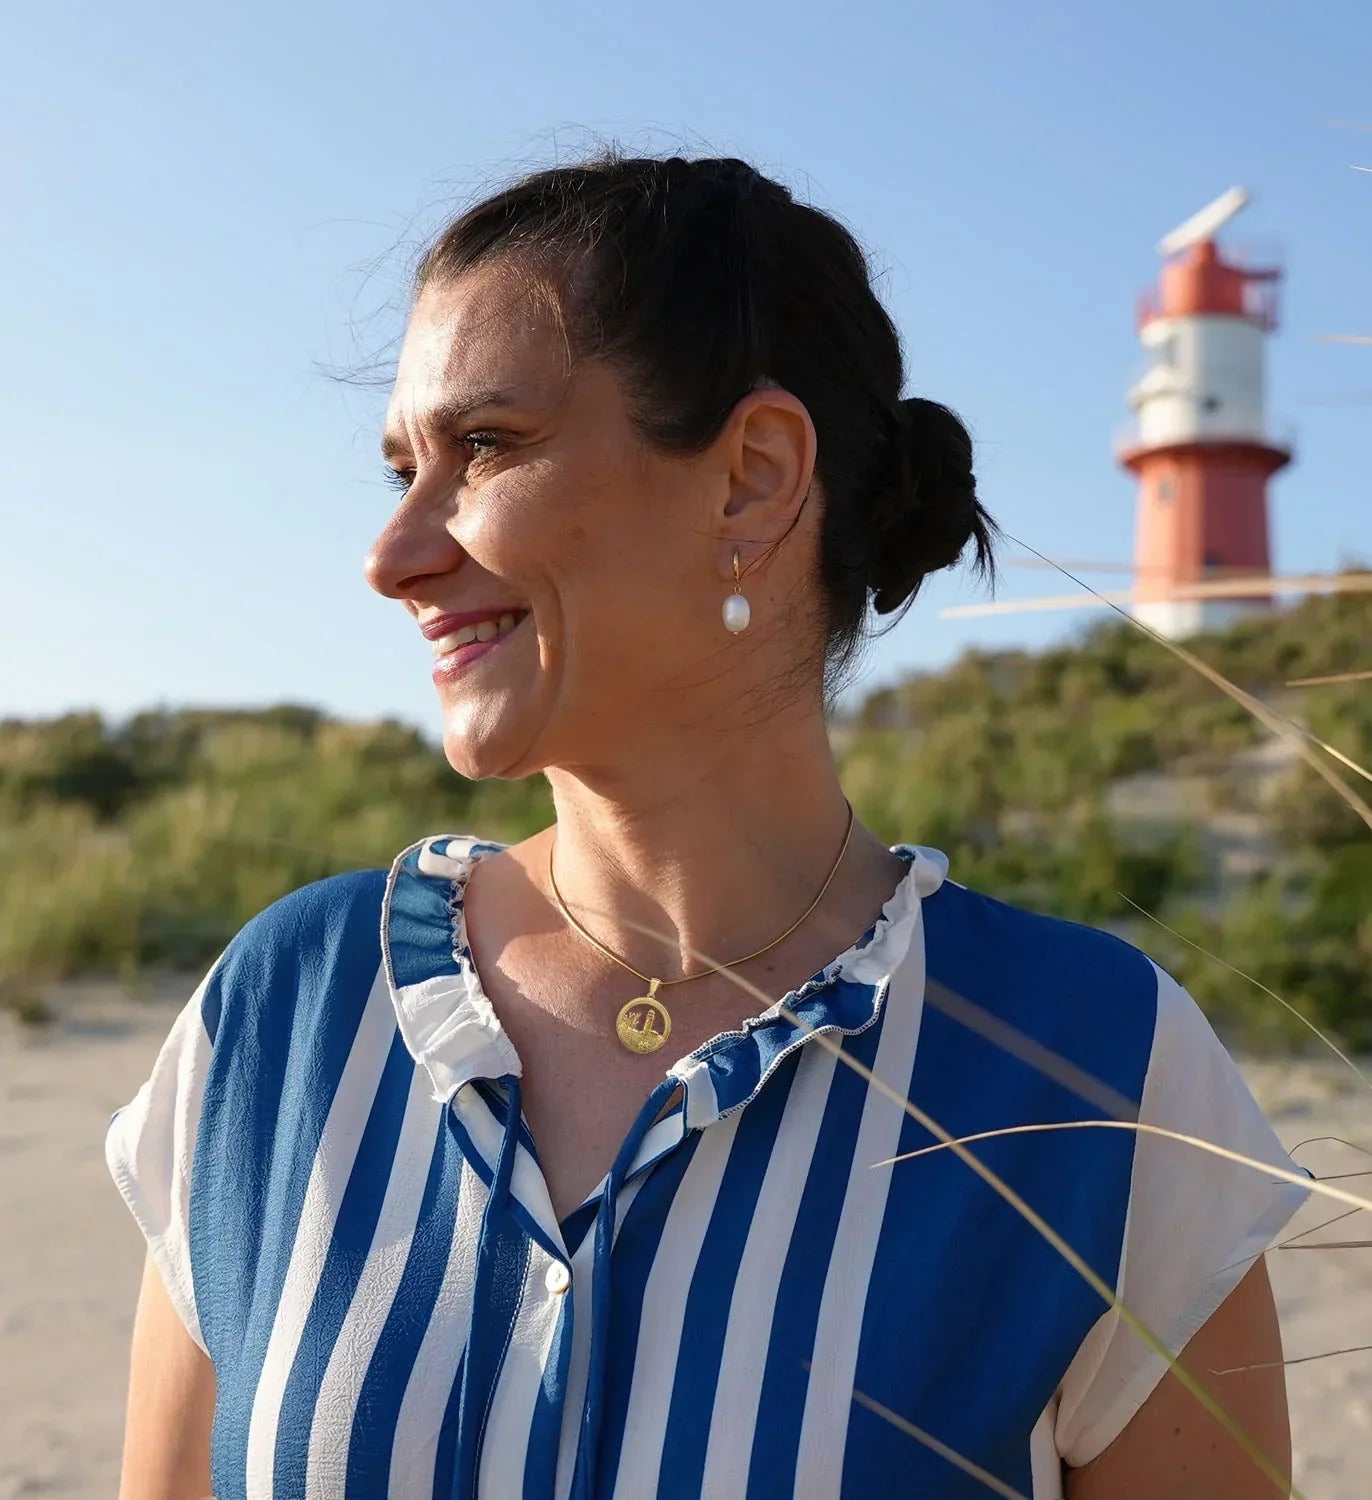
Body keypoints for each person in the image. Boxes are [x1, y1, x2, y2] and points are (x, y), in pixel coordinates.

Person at [107, 153, 1310, 1500]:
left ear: (751, 479)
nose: (392, 556)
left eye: (487, 446)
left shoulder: (1095, 1079)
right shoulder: (280, 1017)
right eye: (401, 467)